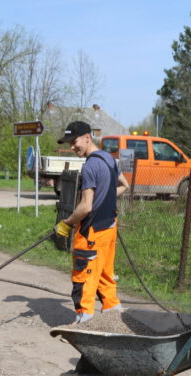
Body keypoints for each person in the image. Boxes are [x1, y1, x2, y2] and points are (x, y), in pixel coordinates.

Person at [53, 121, 129, 324]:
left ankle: (84, 320)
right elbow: (125, 185)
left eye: (74, 141)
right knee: (104, 274)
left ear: (87, 137)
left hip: (92, 232)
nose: (72, 147)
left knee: (83, 275)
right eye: (69, 143)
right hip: (109, 228)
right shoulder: (110, 159)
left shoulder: (89, 167)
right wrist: (104, 199)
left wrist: (66, 223)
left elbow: (86, 207)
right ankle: (113, 316)